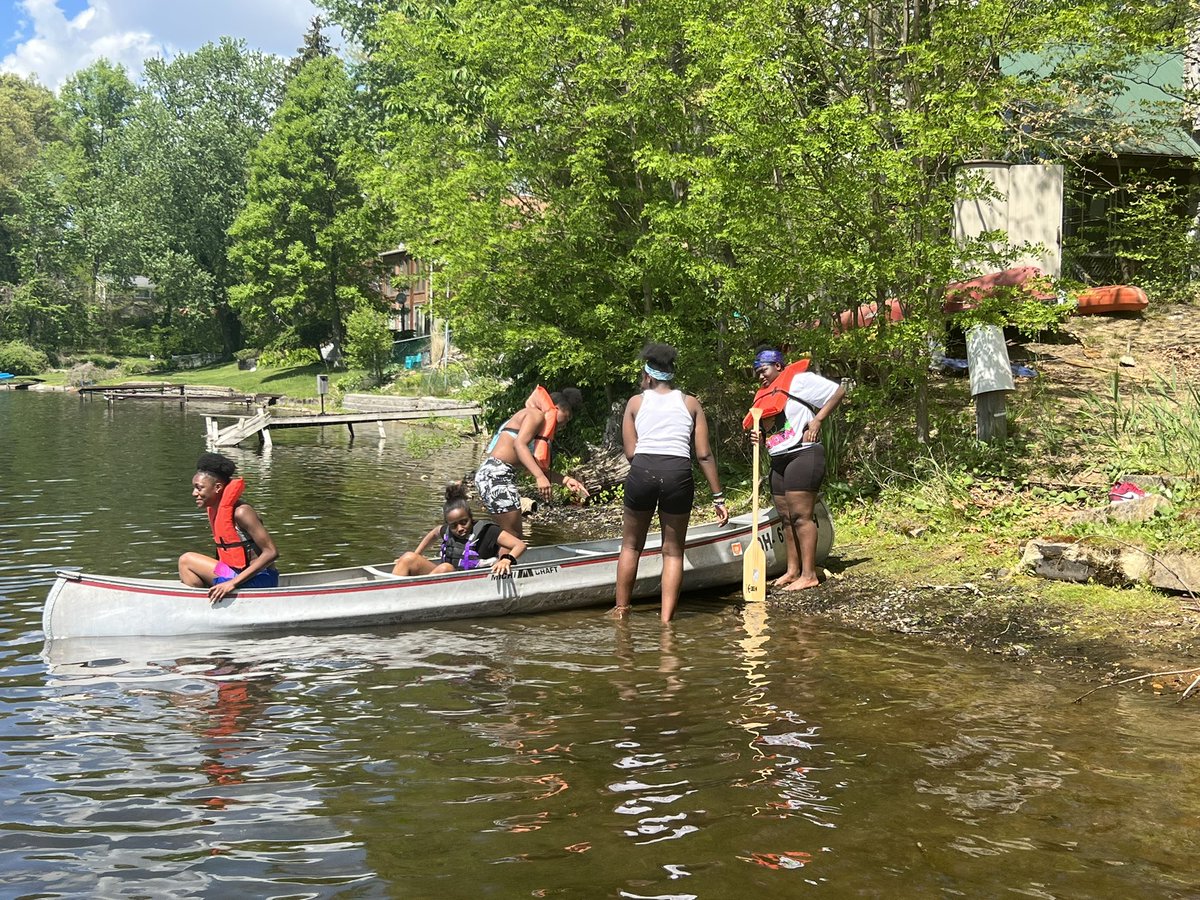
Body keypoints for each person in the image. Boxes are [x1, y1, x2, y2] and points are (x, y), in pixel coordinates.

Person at [612, 343, 729, 622]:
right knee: (673, 551)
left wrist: (647, 472)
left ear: (648, 376)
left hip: (643, 470)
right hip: (677, 472)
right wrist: (718, 497)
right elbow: (703, 454)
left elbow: (631, 452)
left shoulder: (635, 403)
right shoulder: (691, 403)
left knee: (631, 546)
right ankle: (666, 622)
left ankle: (621, 611)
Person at [743, 344, 845, 591]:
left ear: (778, 366)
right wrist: (760, 437)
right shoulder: (764, 394)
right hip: (778, 459)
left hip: (803, 454)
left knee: (801, 517)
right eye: (757, 372)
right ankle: (792, 570)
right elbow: (773, 429)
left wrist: (817, 421)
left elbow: (839, 391)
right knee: (786, 519)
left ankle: (809, 575)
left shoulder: (798, 381)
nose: (760, 376)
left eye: (764, 369)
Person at [474, 385, 590, 538]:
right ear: (555, 408)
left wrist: (565, 480)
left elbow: (531, 467)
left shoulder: (538, 428)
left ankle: (497, 560)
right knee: (513, 536)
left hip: (499, 476)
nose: (564, 425)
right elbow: (519, 444)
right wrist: (540, 477)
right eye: (565, 418)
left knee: (510, 536)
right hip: (496, 475)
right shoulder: (536, 415)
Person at [178, 453, 279, 604]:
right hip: (236, 575)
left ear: (218, 487)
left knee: (187, 560)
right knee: (186, 565)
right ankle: (208, 601)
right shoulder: (216, 510)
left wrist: (232, 583)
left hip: (260, 580)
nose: (194, 493)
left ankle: (203, 604)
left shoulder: (242, 512)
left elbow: (271, 552)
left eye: (199, 488)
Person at [392, 481, 527, 577]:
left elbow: (519, 545)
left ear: (471, 518)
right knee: (408, 557)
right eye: (454, 525)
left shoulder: (488, 531)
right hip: (443, 577)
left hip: (469, 580)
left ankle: (413, 593)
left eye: (464, 522)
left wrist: (506, 559)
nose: (460, 528)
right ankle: (393, 593)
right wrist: (418, 554)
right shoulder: (447, 530)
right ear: (448, 524)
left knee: (446, 568)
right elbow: (434, 534)